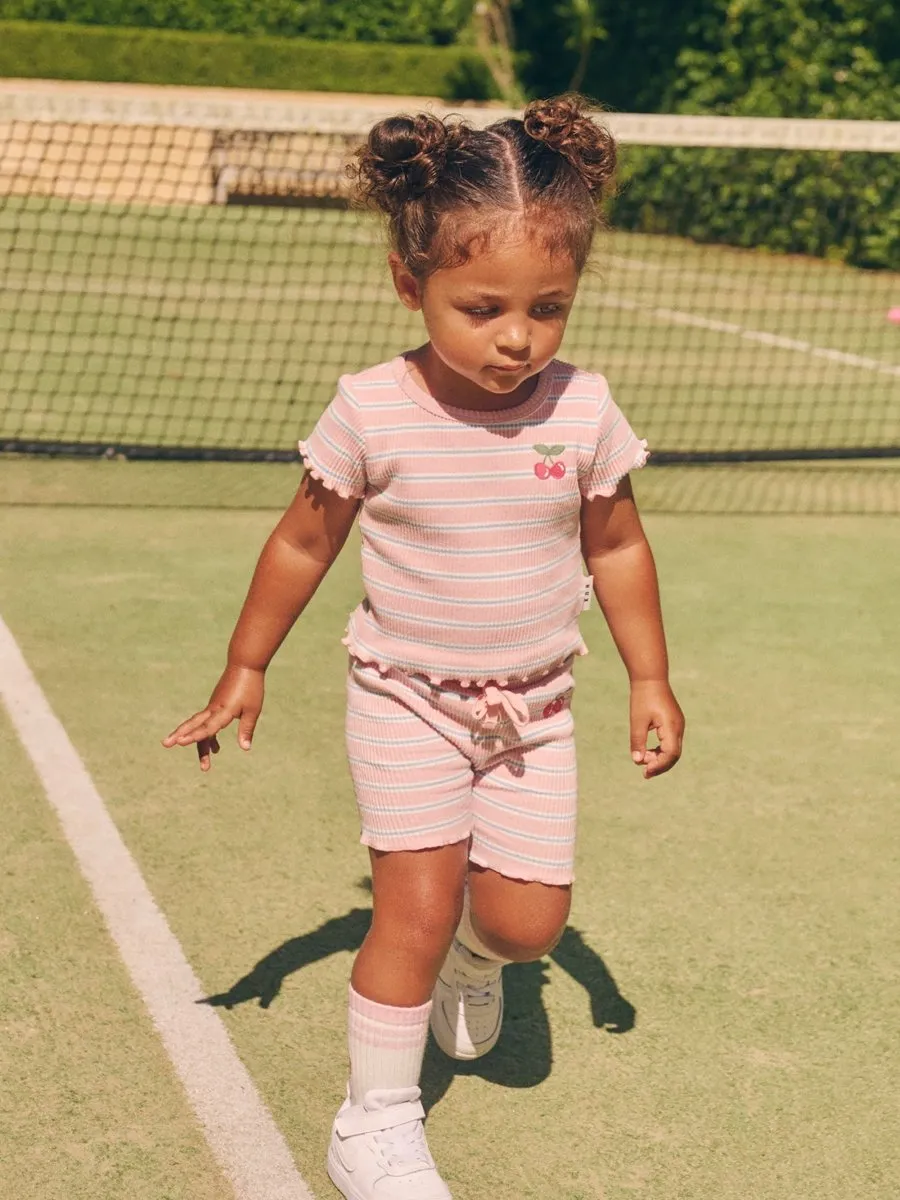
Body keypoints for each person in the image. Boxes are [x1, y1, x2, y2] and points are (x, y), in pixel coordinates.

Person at [163, 94, 685, 1200]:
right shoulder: (371, 410)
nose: (517, 337)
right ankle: (376, 1123)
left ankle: (473, 963)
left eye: (548, 307)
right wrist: (246, 664)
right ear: (413, 285)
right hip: (405, 698)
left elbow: (621, 547)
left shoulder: (583, 411)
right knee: (412, 902)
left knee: (525, 921)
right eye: (483, 305)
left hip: (537, 708)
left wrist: (650, 675)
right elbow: (303, 544)